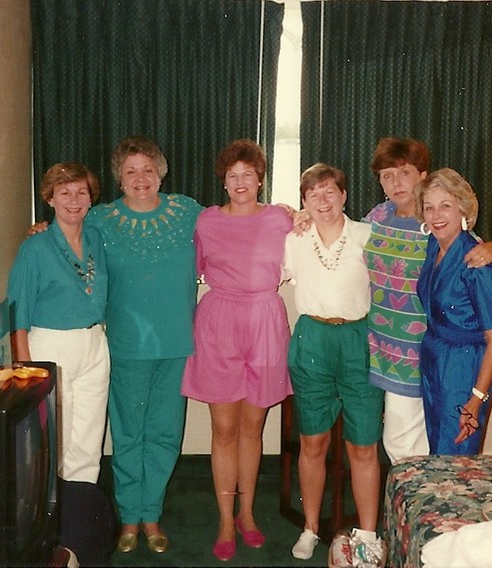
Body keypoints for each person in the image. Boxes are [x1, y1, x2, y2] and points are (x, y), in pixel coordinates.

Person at [27, 138, 202, 555]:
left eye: (147, 169)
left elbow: (234, 221)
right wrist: (39, 229)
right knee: (127, 433)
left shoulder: (188, 212)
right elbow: (64, 233)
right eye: (130, 171)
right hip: (124, 344)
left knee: (164, 433)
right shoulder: (101, 218)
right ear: (119, 178)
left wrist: (292, 214)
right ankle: (128, 516)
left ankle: (151, 513)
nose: (140, 178)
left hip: (176, 342)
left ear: (161, 174)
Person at [180, 139, 293, 562]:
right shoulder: (206, 221)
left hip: (265, 321)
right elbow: (189, 265)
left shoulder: (281, 218)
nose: (240, 182)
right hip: (219, 322)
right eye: (232, 176)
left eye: (248, 175)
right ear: (223, 182)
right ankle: (226, 519)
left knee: (253, 428)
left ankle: (247, 514)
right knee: (224, 429)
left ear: (261, 180)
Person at [363, 138, 492, 463]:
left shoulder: (446, 234)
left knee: (418, 445)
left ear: (422, 176)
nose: (396, 182)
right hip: (399, 351)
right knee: (423, 441)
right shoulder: (380, 218)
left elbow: (484, 262)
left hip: (435, 355)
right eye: (387, 175)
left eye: (404, 172)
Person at [7, 162, 115, 564]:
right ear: (49, 199)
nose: (74, 200)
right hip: (50, 347)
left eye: (81, 192)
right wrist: (26, 374)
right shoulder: (35, 248)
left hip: (94, 344)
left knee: (87, 447)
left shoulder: (96, 237)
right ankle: (53, 541)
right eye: (64, 193)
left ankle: (79, 544)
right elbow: (17, 316)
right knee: (53, 448)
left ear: (91, 198)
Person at [283, 164, 385, 564]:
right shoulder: (294, 239)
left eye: (330, 192)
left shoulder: (366, 235)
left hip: (358, 339)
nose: (322, 201)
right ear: (304, 201)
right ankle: (310, 528)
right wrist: (288, 214)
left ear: (344, 195)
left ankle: (368, 535)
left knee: (363, 445)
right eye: (313, 194)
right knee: (313, 441)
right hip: (312, 338)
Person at [414, 168, 492, 455]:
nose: (436, 215)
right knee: (438, 451)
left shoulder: (477, 262)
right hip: (434, 359)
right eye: (429, 207)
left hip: (463, 368)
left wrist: (476, 398)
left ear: (463, 209)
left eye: (445, 206)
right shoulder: (434, 245)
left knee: (455, 457)